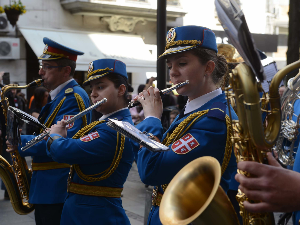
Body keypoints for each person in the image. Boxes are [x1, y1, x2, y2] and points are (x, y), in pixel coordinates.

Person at [132, 25, 238, 225]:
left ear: (208, 67)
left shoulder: (214, 120)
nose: (173, 73)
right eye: (170, 65)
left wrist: (152, 119)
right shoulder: (196, 108)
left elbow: (151, 171)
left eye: (181, 63)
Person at [7, 37, 91, 225]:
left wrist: (18, 141)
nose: (40, 72)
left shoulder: (72, 97)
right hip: (49, 187)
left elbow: (62, 142)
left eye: (47, 66)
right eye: (41, 65)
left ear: (66, 71)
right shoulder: (61, 96)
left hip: (57, 188)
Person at [45, 59, 134, 225]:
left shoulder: (115, 128)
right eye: (92, 88)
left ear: (121, 89)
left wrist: (55, 136)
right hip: (86, 212)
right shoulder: (105, 123)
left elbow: (65, 152)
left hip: (96, 215)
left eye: (100, 87)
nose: (93, 94)